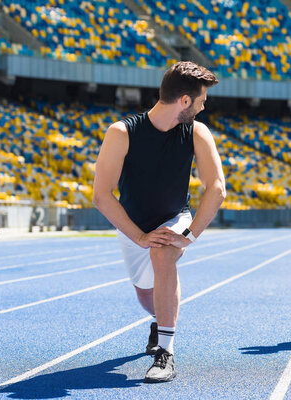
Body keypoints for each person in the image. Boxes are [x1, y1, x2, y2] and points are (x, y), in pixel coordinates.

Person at [93, 61, 226, 382]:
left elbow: (217, 188)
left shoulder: (196, 131)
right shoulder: (122, 132)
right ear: (184, 100)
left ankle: (166, 352)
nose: (203, 105)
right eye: (201, 100)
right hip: (133, 226)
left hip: (174, 218)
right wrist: (138, 237)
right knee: (144, 294)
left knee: (164, 252)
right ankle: (159, 318)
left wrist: (189, 236)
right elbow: (101, 195)